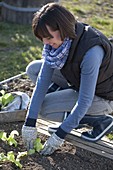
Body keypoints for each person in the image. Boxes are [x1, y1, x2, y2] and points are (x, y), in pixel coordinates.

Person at [22, 2, 113, 156]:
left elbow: (85, 100)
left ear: (62, 29)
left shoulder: (91, 52)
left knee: (45, 109)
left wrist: (60, 134)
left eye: (48, 37)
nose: (45, 43)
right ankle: (69, 109)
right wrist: (29, 122)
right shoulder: (59, 45)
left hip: (103, 96)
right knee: (34, 69)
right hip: (80, 82)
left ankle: (100, 120)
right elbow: (42, 80)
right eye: (42, 38)